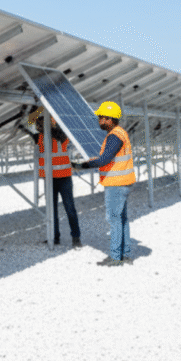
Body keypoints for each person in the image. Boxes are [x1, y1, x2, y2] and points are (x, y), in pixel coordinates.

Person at [72, 101, 136, 267]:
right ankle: (125, 254)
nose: (99, 120)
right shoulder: (119, 133)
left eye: (102, 117)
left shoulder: (115, 135)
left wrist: (82, 165)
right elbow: (108, 158)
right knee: (122, 219)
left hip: (116, 184)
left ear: (110, 118)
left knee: (114, 219)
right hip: (123, 182)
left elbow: (104, 160)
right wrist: (93, 161)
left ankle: (115, 257)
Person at [28, 107, 82, 248]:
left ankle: (76, 238)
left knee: (70, 208)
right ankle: (54, 237)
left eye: (41, 124)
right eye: (38, 124)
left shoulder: (62, 136)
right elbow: (30, 121)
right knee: (51, 211)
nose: (38, 126)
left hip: (64, 178)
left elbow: (65, 123)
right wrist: (40, 108)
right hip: (49, 179)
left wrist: (49, 110)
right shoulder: (39, 138)